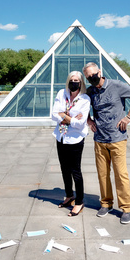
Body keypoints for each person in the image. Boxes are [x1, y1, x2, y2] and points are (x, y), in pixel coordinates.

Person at [82, 62, 130, 224]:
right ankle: (106, 203)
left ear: (99, 72)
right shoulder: (90, 91)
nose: (91, 78)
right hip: (99, 140)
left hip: (117, 139)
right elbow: (82, 106)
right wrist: (89, 120)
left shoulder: (116, 85)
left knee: (120, 174)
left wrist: (128, 117)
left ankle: (126, 208)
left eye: (93, 75)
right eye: (88, 77)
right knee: (102, 174)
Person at [51, 71, 90, 216]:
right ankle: (69, 196)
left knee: (76, 171)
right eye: (71, 80)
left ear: (81, 83)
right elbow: (54, 114)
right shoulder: (62, 93)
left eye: (77, 81)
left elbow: (80, 124)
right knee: (64, 169)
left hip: (75, 139)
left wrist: (64, 115)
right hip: (61, 136)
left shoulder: (85, 99)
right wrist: (72, 117)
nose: (74, 82)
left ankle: (79, 202)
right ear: (68, 81)